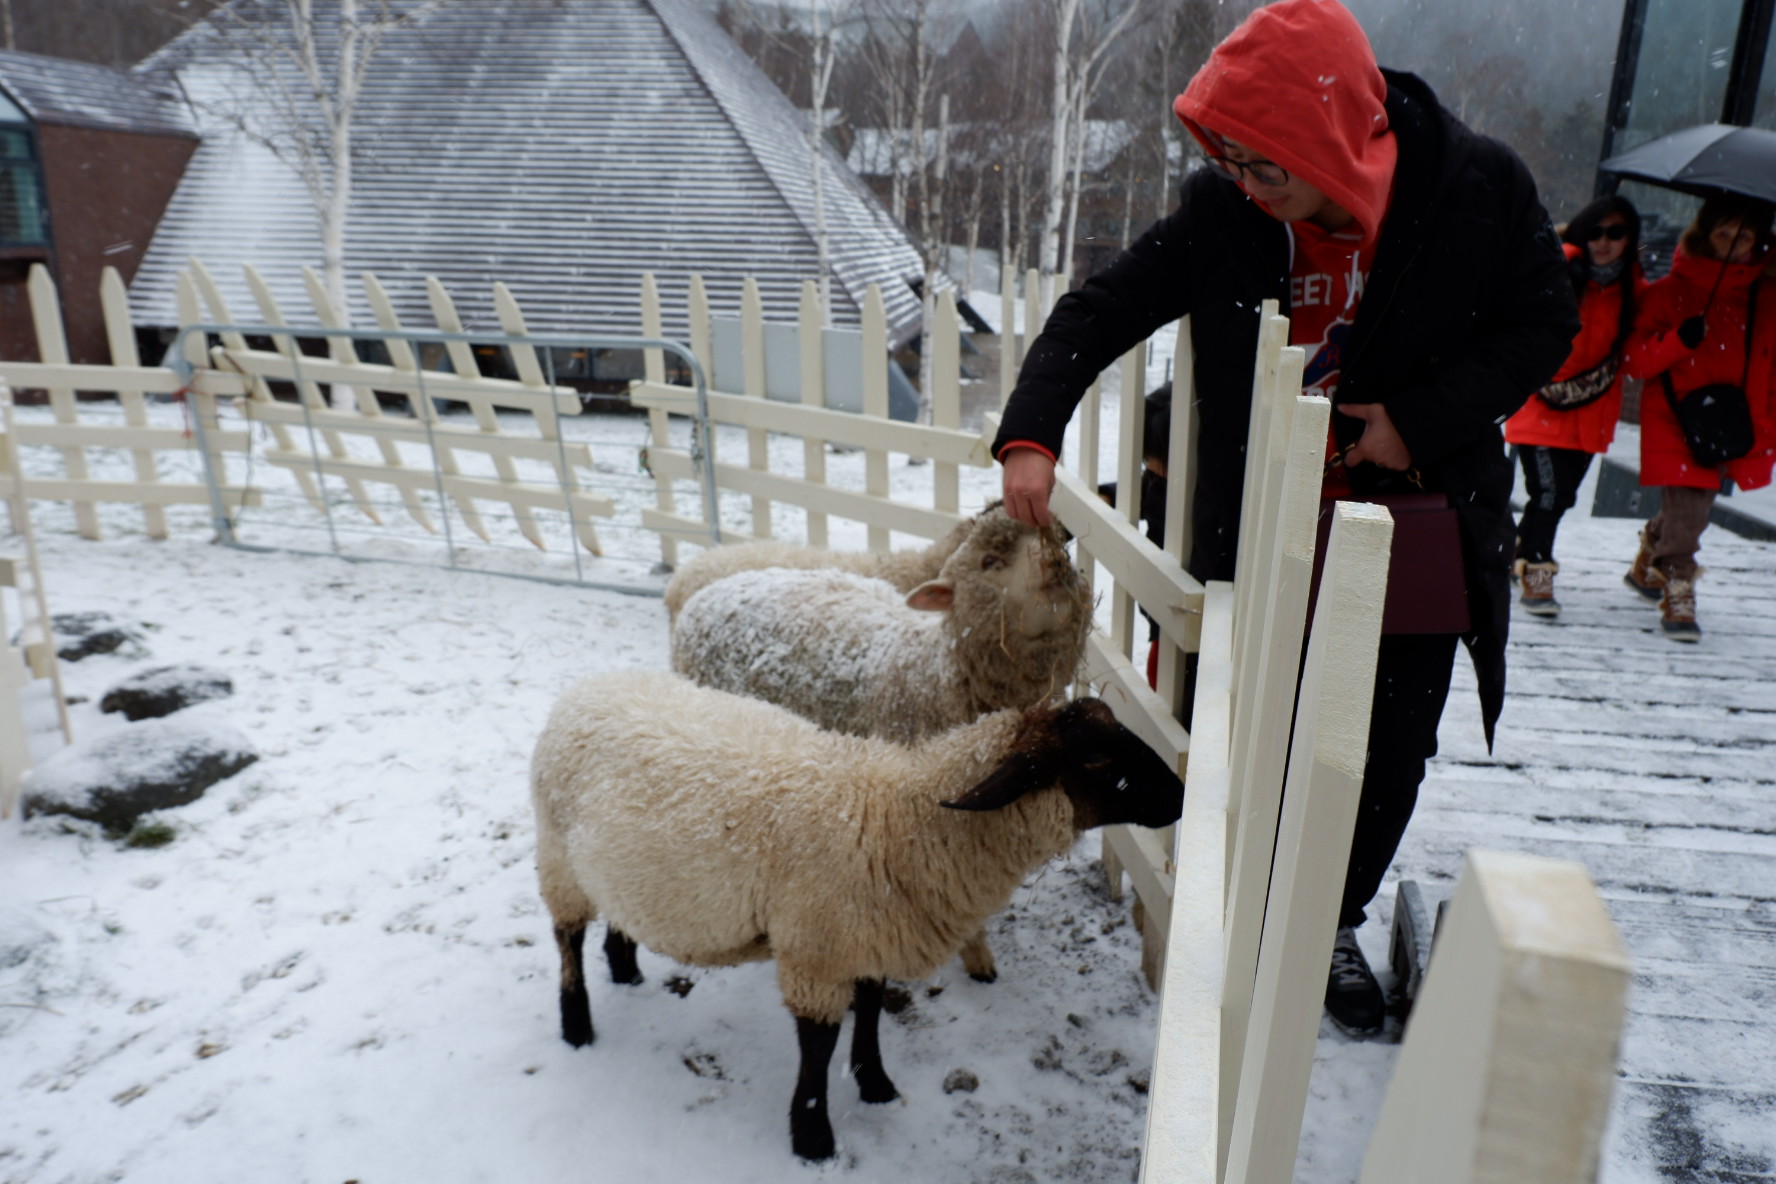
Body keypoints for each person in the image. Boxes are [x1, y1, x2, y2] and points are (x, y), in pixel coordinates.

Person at [993, 0, 1578, 1035]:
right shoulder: (1229, 215)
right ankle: (1240, 898)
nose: (1246, 187)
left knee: (1384, 744)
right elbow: (1101, 307)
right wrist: (1032, 432)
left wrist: (1417, 419)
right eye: (1230, 164)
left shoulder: (1477, 187)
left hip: (1415, 525)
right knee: (1246, 721)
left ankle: (1331, 917)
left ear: (1329, 139)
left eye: (1265, 166)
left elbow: (1547, 320)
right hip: (1257, 529)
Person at [1620, 194, 1776, 640]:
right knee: (1691, 511)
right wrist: (1679, 340)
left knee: (1691, 507)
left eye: (1742, 235)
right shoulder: (1673, 291)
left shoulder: (1765, 296)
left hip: (1736, 422)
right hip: (1679, 420)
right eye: (1722, 233)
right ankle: (1680, 591)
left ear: (1759, 240)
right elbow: (1635, 361)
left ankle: (1651, 554)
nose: (1731, 245)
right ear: (1704, 234)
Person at [1504, 196, 1646, 616]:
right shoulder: (1557, 269)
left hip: (1592, 412)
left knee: (1561, 497)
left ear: (1629, 238)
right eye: (1596, 231)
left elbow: (1639, 353)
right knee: (1547, 493)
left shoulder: (1634, 290)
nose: (1604, 242)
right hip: (1540, 405)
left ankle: (1522, 549)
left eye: (1616, 233)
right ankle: (1537, 570)